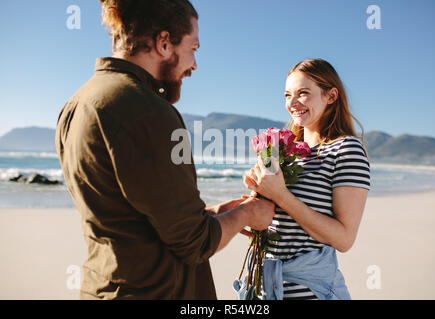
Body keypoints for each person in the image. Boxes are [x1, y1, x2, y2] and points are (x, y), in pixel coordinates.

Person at [55, 0, 275, 300]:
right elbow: (195, 243)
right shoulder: (148, 110)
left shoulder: (75, 104)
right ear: (164, 43)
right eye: (193, 48)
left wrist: (213, 213)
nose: (194, 64)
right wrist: (248, 213)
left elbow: (130, 215)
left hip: (101, 288)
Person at [243, 59, 370, 300]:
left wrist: (281, 195)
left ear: (331, 96)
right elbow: (285, 224)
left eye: (303, 93)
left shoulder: (346, 150)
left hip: (312, 293)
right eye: (287, 95)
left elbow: (344, 239)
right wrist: (252, 209)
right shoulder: (285, 153)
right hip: (265, 289)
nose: (292, 103)